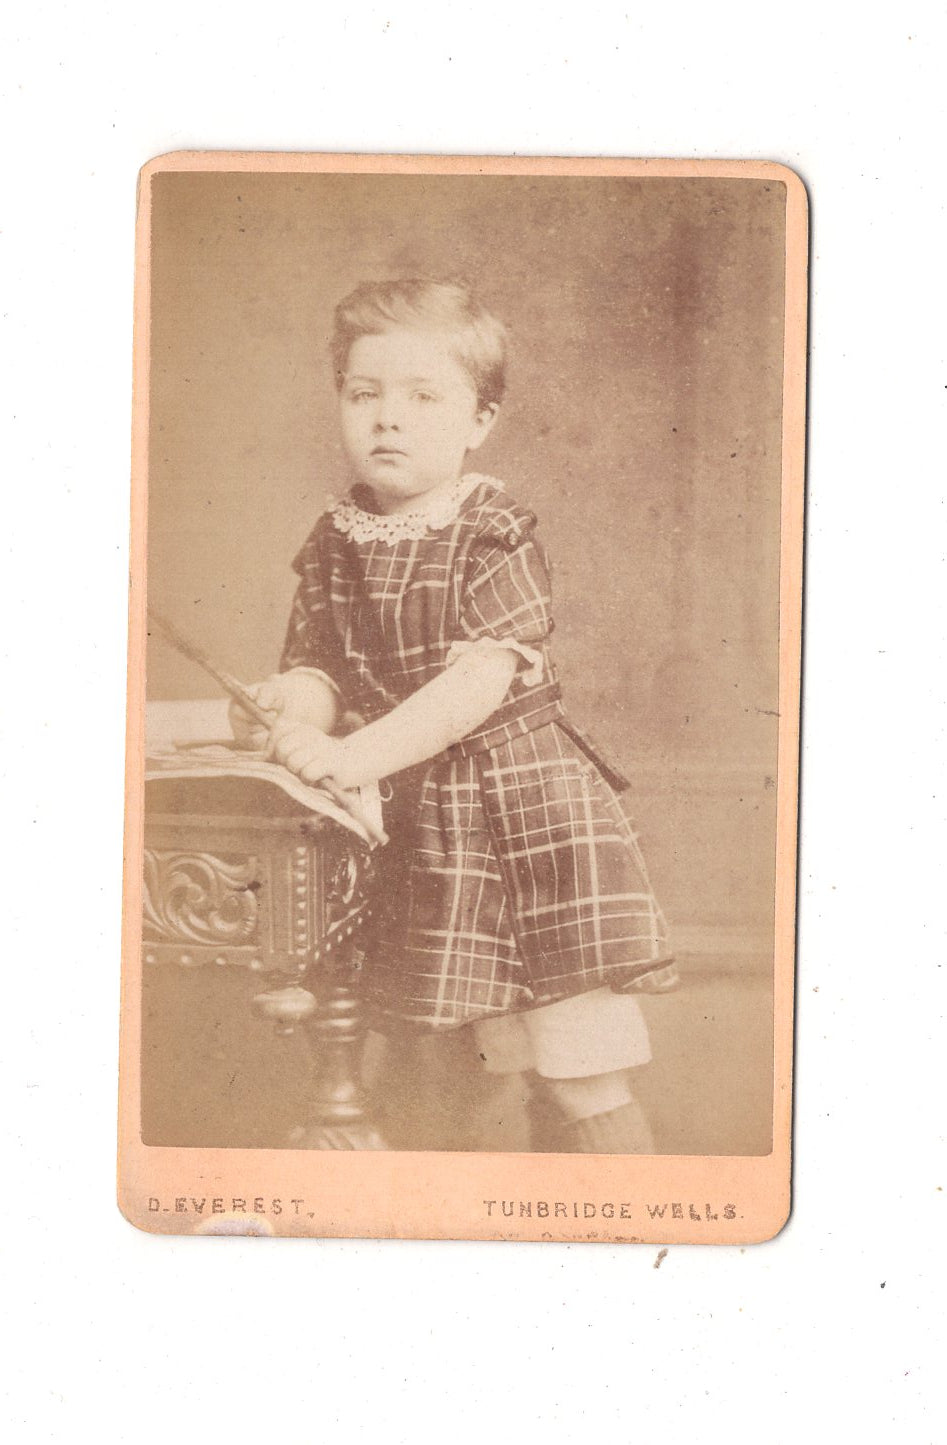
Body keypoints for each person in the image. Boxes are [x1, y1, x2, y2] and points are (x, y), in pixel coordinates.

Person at [230, 278, 677, 1154]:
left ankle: (623, 1215)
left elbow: (474, 686)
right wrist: (294, 701)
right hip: (425, 827)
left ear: (480, 420)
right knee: (450, 1057)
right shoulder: (335, 538)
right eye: (364, 394)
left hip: (521, 819)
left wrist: (348, 756)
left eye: (422, 397)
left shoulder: (493, 530)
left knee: (577, 1060)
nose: (387, 419)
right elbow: (323, 667)